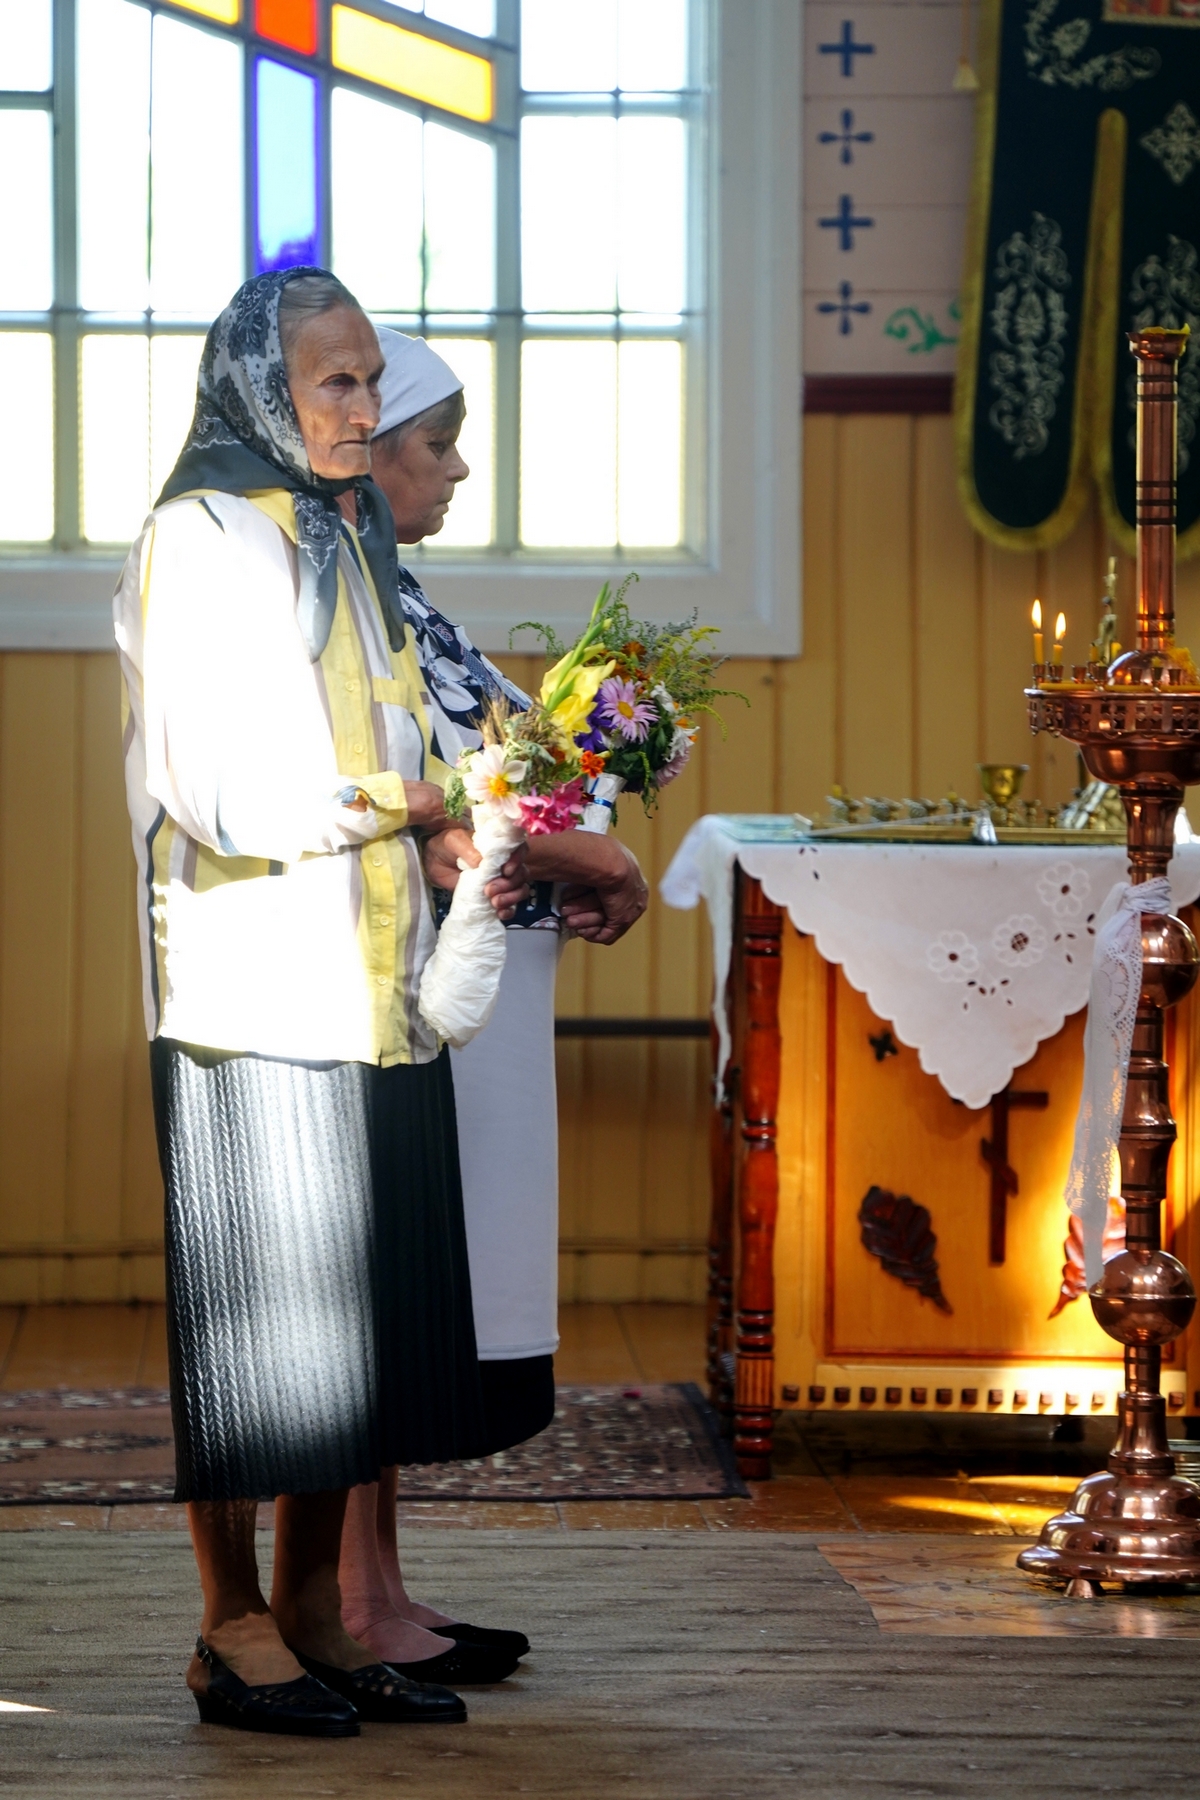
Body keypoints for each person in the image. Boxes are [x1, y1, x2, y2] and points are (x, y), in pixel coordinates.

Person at [114, 270, 527, 1736]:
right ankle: (227, 1628)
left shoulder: (343, 532)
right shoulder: (202, 534)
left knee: (344, 1352)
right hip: (252, 993)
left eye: (369, 381)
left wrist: (471, 798)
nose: (361, 410)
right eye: (332, 384)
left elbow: (411, 712)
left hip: (378, 996)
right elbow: (215, 788)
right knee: (254, 1343)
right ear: (256, 390)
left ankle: (307, 1612)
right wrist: (424, 798)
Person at [336, 330, 649, 1666]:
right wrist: (583, 847)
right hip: (412, 982)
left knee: (425, 1287)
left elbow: (514, 762)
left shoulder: (405, 596)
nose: (458, 470)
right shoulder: (350, 606)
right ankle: (349, 1598)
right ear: (367, 456)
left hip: (483, 976)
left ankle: (383, 1585)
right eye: (438, 443)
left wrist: (614, 758)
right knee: (384, 1283)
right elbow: (420, 793)